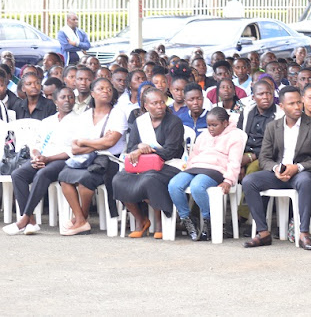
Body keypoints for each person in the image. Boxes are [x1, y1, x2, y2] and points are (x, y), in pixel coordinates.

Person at [242, 86, 311, 250]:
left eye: (299, 102)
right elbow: (264, 158)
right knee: (249, 181)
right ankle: (263, 232)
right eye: (292, 103)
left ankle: (303, 233)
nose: (297, 107)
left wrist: (298, 167)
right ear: (282, 106)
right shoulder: (273, 126)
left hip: (302, 173)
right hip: (279, 174)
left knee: (305, 181)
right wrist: (276, 168)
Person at [58, 78, 127, 236]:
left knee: (86, 179)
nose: (106, 92)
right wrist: (97, 143)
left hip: (109, 160)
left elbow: (110, 143)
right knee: (64, 176)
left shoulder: (117, 114)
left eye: (109, 89)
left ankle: (81, 219)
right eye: (101, 88)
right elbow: (75, 146)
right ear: (92, 93)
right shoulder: (85, 115)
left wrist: (86, 142)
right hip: (86, 158)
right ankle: (81, 219)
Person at [3, 87, 76, 235]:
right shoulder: (48, 121)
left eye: (71, 97)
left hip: (63, 160)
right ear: (55, 101)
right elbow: (35, 144)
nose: (67, 100)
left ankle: (24, 219)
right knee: (18, 174)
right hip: (43, 158)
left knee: (42, 174)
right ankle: (31, 221)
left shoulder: (79, 121)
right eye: (63, 97)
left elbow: (73, 150)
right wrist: (36, 156)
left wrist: (48, 159)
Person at [113, 89, 185, 239]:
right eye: (155, 103)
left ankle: (160, 222)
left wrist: (144, 151)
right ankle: (141, 220)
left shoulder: (174, 122)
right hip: (144, 165)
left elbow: (170, 152)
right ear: (146, 106)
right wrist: (139, 148)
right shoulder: (140, 122)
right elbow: (132, 147)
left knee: (150, 179)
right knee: (119, 179)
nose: (160, 106)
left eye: (161, 102)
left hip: (170, 164)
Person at [168, 107, 248, 241]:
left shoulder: (235, 136)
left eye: (214, 125)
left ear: (225, 123)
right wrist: (188, 167)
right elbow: (194, 154)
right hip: (196, 166)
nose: (211, 128)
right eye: (208, 125)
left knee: (197, 186)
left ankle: (209, 219)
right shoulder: (204, 135)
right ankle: (187, 219)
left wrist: (229, 181)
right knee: (174, 185)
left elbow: (235, 161)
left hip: (216, 169)